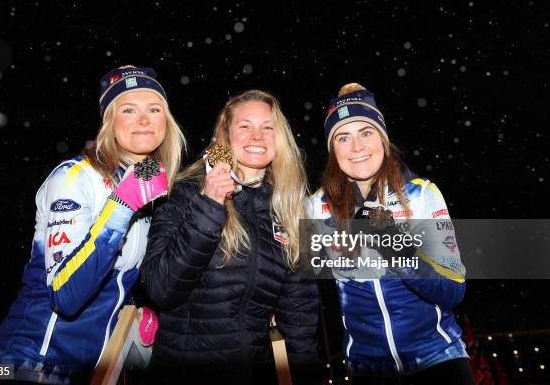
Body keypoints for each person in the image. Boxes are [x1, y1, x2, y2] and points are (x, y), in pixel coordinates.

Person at [0, 65, 186, 383]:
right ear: (110, 122)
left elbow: (115, 273)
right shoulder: (76, 177)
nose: (144, 120)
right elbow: (66, 295)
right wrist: (121, 207)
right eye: (128, 109)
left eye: (154, 109)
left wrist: (133, 312)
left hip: (90, 372)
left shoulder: (151, 188)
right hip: (28, 364)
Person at [140, 89, 319, 384]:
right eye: (244, 126)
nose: (257, 136)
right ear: (226, 134)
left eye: (267, 127)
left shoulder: (288, 208)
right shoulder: (185, 191)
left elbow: (300, 318)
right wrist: (210, 204)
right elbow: (161, 288)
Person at [306, 83, 475, 384]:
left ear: (383, 140)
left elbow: (453, 291)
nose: (356, 147)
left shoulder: (421, 195)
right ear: (333, 150)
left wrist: (398, 249)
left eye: (366, 133)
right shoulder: (315, 208)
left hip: (439, 360)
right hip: (366, 369)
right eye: (343, 137)